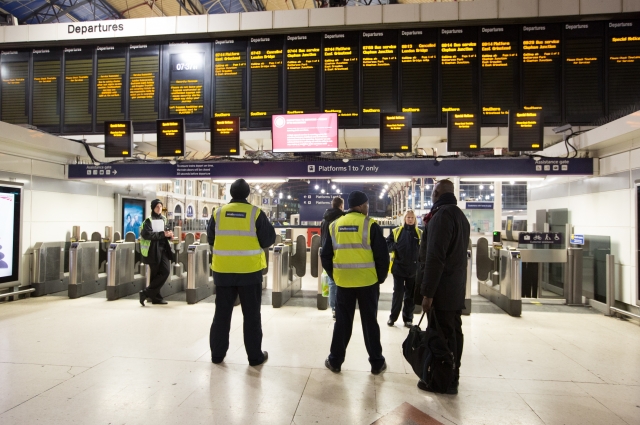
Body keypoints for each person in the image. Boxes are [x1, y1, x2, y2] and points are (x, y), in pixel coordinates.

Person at [207, 179, 276, 367]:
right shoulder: (255, 213)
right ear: (247, 194)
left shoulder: (218, 213)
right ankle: (254, 357)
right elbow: (268, 239)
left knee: (221, 314)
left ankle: (217, 355)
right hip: (249, 271)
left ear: (231, 193)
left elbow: (211, 238)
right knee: (252, 315)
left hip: (223, 271)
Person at [321, 190, 389, 375]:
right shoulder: (370, 225)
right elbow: (382, 257)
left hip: (344, 283)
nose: (368, 208)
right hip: (368, 282)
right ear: (361, 206)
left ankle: (335, 361)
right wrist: (379, 278)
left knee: (342, 323)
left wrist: (335, 275)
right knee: (370, 322)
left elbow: (325, 255)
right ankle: (376, 363)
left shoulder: (334, 225)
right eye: (367, 205)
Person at [418, 179, 470, 395]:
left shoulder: (441, 216)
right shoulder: (460, 216)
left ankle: (443, 381)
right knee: (453, 333)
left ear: (437, 193)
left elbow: (435, 258)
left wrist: (428, 293)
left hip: (442, 290)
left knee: (441, 336)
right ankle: (452, 376)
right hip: (454, 288)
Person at [386, 209, 422, 328]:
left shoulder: (420, 233)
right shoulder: (397, 231)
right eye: (408, 217)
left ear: (415, 219)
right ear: (404, 219)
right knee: (398, 294)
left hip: (413, 270)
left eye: (412, 218)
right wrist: (395, 246)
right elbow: (387, 244)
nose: (410, 219)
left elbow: (424, 250)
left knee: (410, 296)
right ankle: (393, 317)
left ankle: (408, 319)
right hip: (399, 269)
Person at [139, 199, 174, 306]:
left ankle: (146, 293)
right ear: (153, 208)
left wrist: (170, 235)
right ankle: (156, 298)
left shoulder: (164, 219)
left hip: (163, 249)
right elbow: (147, 235)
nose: (159, 209)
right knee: (155, 274)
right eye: (157, 206)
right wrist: (163, 234)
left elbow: (167, 231)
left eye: (160, 206)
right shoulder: (148, 221)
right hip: (153, 251)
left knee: (165, 271)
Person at [320, 196, 345, 320]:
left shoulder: (324, 219)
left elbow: (322, 237)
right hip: (339, 251)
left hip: (327, 252)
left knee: (332, 281)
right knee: (341, 281)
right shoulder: (342, 218)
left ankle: (334, 309)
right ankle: (341, 306)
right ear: (341, 206)